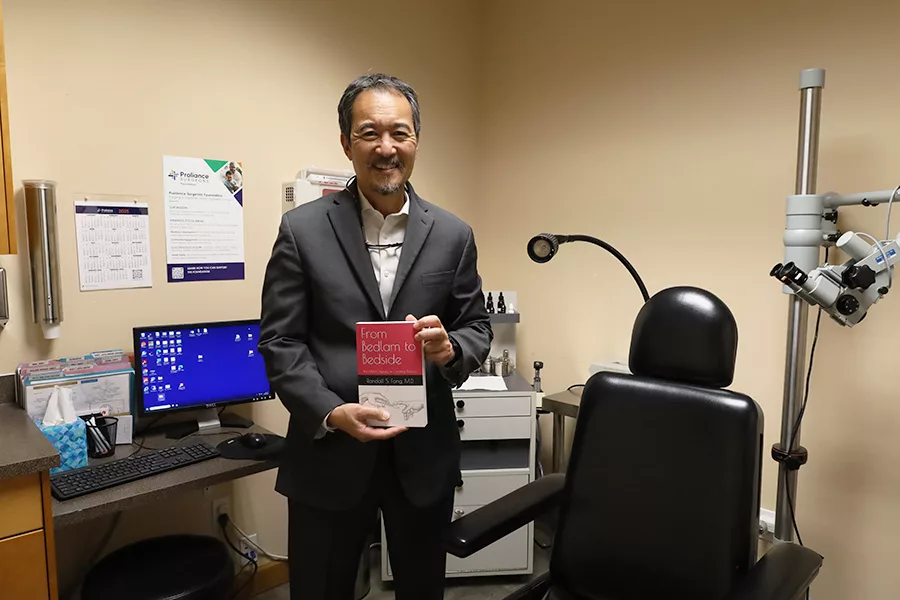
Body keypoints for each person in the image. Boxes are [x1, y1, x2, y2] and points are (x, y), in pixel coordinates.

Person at [258, 73, 492, 600]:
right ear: (346, 143)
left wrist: (451, 348)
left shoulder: (453, 235)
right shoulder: (302, 230)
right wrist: (327, 411)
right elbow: (281, 341)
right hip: (329, 453)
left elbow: (476, 326)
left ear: (415, 141)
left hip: (422, 457)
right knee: (322, 589)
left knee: (422, 587)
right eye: (369, 133)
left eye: (399, 133)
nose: (386, 148)